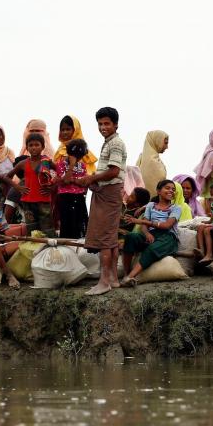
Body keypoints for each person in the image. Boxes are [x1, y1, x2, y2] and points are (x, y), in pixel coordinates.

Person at [79, 107, 127, 296]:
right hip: (106, 191)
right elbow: (109, 172)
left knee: (105, 239)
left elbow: (114, 171)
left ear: (115, 124)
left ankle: (104, 281)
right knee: (111, 238)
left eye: (107, 123)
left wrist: (92, 179)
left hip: (109, 193)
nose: (103, 127)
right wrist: (95, 179)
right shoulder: (108, 142)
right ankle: (113, 278)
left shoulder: (115, 143)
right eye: (100, 123)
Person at [120, 179, 181, 286]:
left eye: (173, 189)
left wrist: (141, 221)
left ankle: (130, 277)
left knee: (152, 249)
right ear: (158, 191)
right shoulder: (151, 205)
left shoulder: (176, 208)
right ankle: (125, 274)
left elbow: (167, 226)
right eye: (167, 188)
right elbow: (144, 226)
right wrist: (147, 233)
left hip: (168, 237)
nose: (171, 191)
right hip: (152, 234)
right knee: (130, 237)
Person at [0, 136, 55, 236]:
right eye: (31, 145)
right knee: (32, 230)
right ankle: (34, 250)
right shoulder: (23, 163)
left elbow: (60, 173)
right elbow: (7, 177)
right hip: (28, 201)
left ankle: (49, 251)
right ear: (27, 148)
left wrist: (52, 186)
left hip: (44, 200)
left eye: (37, 145)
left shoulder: (47, 161)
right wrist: (18, 187)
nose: (34, 147)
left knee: (48, 229)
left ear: (42, 147)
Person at [53, 138, 90, 239]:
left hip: (79, 197)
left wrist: (72, 180)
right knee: (67, 223)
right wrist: (72, 165)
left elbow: (84, 182)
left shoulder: (82, 165)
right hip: (65, 198)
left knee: (80, 223)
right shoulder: (61, 164)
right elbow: (66, 181)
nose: (79, 159)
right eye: (77, 157)